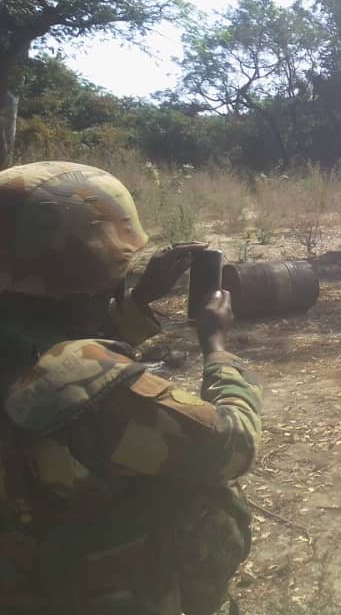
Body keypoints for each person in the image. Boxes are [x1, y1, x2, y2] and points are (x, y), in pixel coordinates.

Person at [0, 161, 263, 615]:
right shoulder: (80, 383)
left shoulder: (23, 342)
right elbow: (232, 444)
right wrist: (217, 349)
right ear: (92, 267)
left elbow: (55, 339)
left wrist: (138, 302)